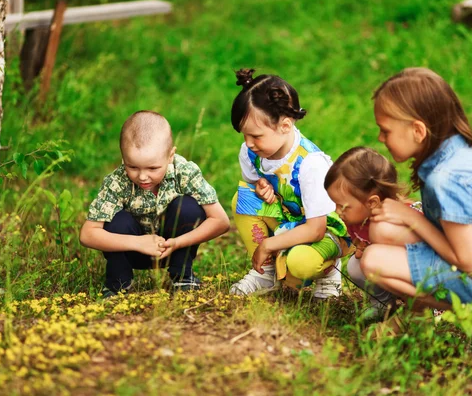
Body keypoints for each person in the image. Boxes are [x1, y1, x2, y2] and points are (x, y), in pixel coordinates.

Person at [361, 67, 472, 365]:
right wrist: (406, 214)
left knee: (373, 261)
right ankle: (417, 318)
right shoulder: (456, 151)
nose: (380, 137)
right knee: (382, 230)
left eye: (386, 130)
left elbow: (468, 262)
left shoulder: (447, 178)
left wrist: (412, 218)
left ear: (418, 130)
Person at [228, 68, 351, 298]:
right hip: (289, 220)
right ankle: (265, 272)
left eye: (256, 136)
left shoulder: (310, 164)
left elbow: (316, 229)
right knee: (242, 199)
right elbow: (255, 185)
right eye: (244, 135)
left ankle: (329, 270)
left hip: (324, 231)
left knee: (299, 266)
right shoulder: (251, 152)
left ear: (285, 126)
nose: (249, 143)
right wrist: (262, 188)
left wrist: (268, 245)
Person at [80, 110, 230, 295]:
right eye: (132, 166)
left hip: (174, 247)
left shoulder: (184, 172)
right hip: (131, 250)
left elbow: (221, 221)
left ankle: (182, 276)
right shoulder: (116, 182)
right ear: (123, 158)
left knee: (188, 207)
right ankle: (118, 283)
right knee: (116, 220)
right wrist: (137, 242)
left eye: (152, 168)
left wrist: (177, 243)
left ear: (170, 156)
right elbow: (87, 234)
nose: (142, 176)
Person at [323, 146, 421, 317]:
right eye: (335, 204)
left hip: (418, 272)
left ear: (372, 203)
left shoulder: (395, 223)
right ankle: (383, 304)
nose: (338, 211)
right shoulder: (356, 216)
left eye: (342, 206)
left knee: (366, 261)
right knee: (355, 265)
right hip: (387, 267)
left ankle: (422, 307)